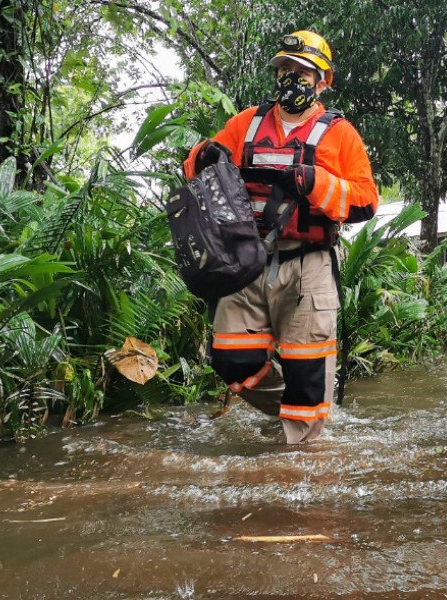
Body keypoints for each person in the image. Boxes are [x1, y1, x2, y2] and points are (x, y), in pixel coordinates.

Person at [183, 30, 379, 444]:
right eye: (285, 68)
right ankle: (295, 411)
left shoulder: (340, 134)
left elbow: (365, 200)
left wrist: (317, 182)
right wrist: (202, 155)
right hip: (247, 261)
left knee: (307, 373)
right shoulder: (246, 123)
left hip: (309, 264)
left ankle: (300, 456)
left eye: (302, 71)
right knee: (231, 358)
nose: (292, 76)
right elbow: (196, 171)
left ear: (322, 80)